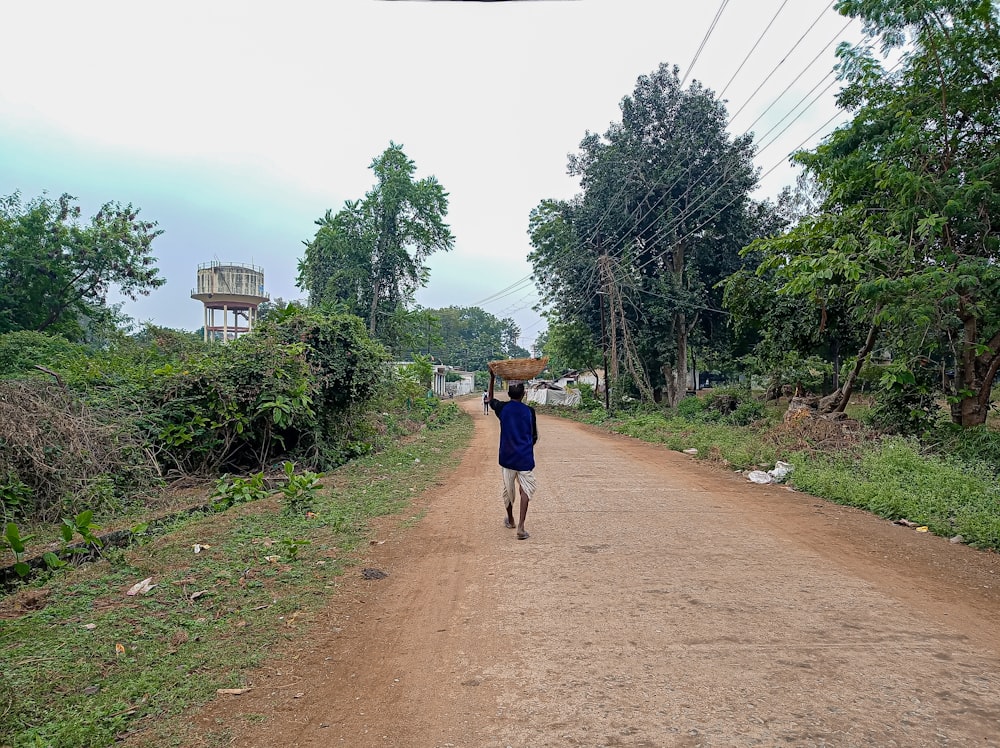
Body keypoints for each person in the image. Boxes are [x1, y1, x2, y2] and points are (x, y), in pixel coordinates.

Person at [487, 371, 538, 540]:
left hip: (507, 457)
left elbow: (490, 400)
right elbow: (534, 436)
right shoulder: (529, 411)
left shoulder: (503, 408)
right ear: (523, 394)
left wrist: (492, 378)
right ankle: (521, 528)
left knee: (508, 490)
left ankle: (510, 519)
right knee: (525, 490)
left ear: (508, 394)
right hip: (524, 457)